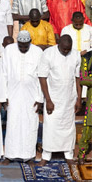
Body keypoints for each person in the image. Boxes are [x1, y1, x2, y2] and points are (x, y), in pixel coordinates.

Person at [37, 35, 81, 166]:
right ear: (58, 44)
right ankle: (46, 155)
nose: (66, 51)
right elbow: (42, 77)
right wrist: (48, 99)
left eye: (68, 49)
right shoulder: (48, 54)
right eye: (64, 49)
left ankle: (68, 154)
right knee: (50, 126)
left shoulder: (76, 55)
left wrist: (78, 99)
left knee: (68, 126)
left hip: (69, 98)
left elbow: (78, 78)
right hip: (53, 98)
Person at [2, 31, 43, 163]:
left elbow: (41, 76)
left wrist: (40, 98)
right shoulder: (9, 50)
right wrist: (3, 95)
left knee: (30, 123)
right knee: (12, 123)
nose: (23, 48)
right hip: (12, 94)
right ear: (17, 42)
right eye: (21, 45)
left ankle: (28, 155)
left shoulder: (37, 52)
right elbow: (4, 73)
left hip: (31, 95)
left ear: (30, 42)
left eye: (26, 46)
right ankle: (10, 154)